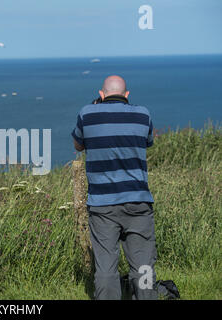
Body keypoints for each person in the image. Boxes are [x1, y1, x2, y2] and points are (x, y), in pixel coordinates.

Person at [71, 75, 157, 300]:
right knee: (143, 266)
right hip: (138, 201)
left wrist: (95, 107)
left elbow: (78, 145)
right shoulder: (143, 114)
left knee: (106, 268)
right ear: (126, 95)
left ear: (101, 95)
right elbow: (148, 141)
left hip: (103, 205)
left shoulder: (87, 113)